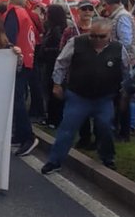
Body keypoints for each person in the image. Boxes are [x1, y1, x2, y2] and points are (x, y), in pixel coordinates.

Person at [42, 18, 122, 175]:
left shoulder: (118, 48)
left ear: (109, 35)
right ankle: (54, 161)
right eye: (93, 35)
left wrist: (124, 91)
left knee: (105, 126)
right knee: (67, 128)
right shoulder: (76, 42)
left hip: (104, 97)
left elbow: (125, 69)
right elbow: (61, 63)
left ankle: (107, 157)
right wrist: (57, 84)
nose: (96, 39)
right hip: (79, 95)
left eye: (101, 36)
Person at [2, 0, 39, 156]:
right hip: (26, 59)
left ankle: (28, 137)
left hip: (17, 61)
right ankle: (18, 136)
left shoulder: (12, 13)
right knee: (17, 99)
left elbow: (9, 37)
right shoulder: (25, 14)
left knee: (16, 100)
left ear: (10, 0)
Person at [102, 0, 135, 140]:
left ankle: (123, 132)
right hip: (120, 61)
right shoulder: (118, 16)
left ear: (110, 4)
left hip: (122, 63)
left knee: (122, 97)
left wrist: (110, 48)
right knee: (118, 97)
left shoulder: (122, 17)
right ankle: (118, 129)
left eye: (104, 5)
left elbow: (126, 41)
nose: (104, 8)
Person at [37, 4, 69, 128]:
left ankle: (54, 119)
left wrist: (45, 51)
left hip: (53, 63)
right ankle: (51, 117)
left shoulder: (57, 30)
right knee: (50, 91)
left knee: (53, 91)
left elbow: (58, 48)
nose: (45, 15)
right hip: (49, 63)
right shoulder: (52, 28)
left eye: (47, 13)